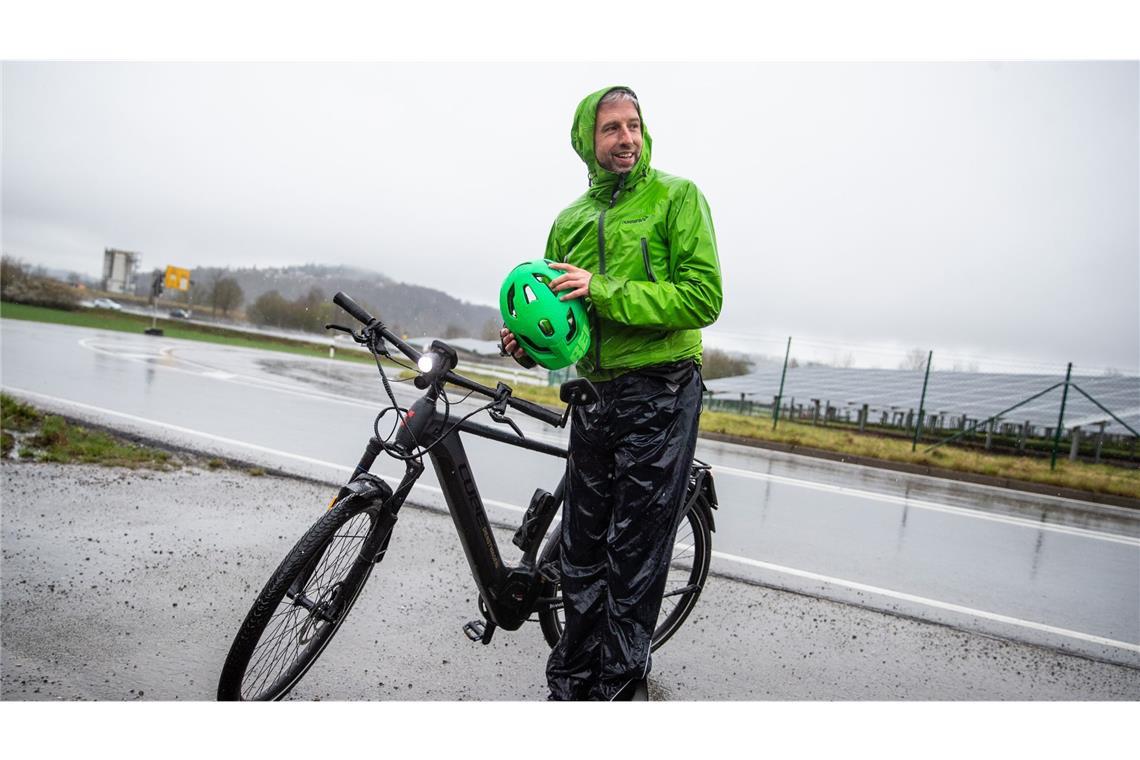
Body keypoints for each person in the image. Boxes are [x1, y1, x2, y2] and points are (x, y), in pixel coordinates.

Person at [501, 85, 722, 700]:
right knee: (579, 552)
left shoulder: (678, 198)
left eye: (634, 126)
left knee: (634, 554)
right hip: (595, 393)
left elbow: (703, 299)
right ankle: (569, 685)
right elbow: (563, 325)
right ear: (586, 141)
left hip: (663, 387)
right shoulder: (568, 221)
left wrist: (601, 287)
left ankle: (620, 691)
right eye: (611, 129)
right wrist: (529, 340)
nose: (626, 139)